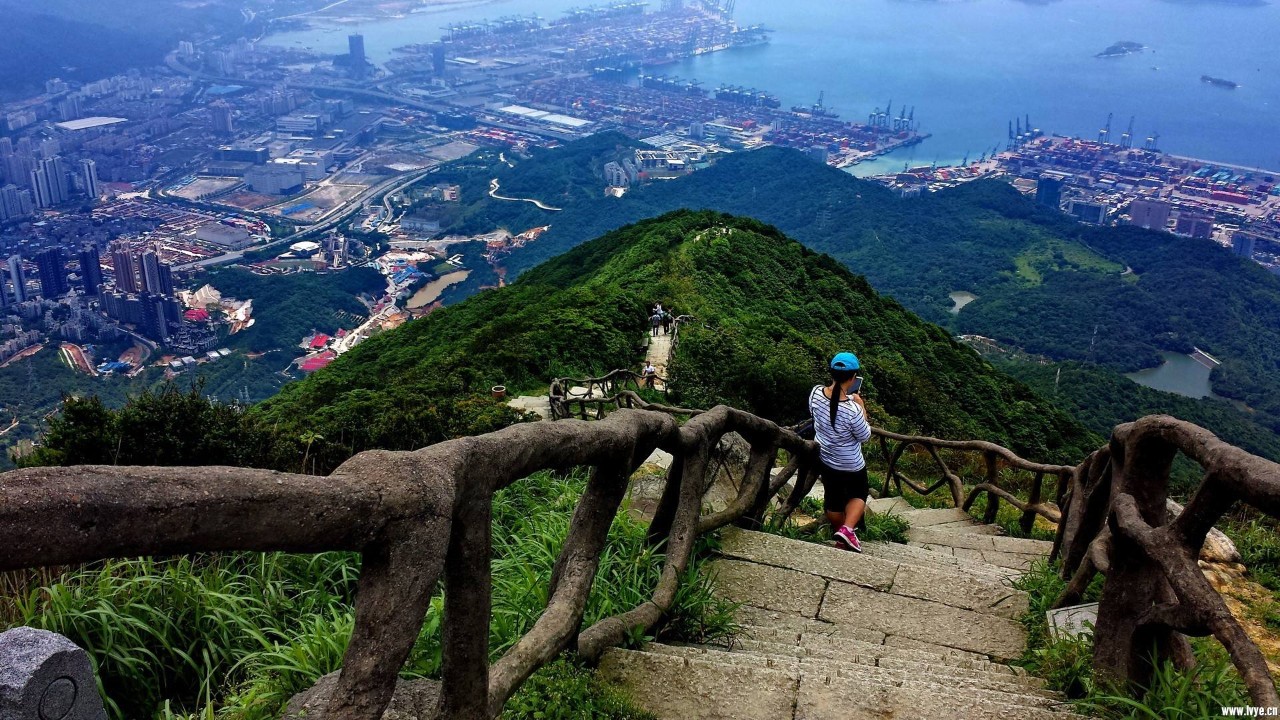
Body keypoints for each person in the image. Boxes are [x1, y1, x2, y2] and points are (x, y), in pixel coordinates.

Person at [808, 352, 872, 552]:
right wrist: (861, 407)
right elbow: (864, 436)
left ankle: (841, 534)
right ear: (853, 378)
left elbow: (817, 413)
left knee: (833, 501)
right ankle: (847, 530)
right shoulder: (853, 410)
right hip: (851, 464)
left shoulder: (815, 393)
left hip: (826, 459)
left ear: (832, 373)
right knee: (859, 494)